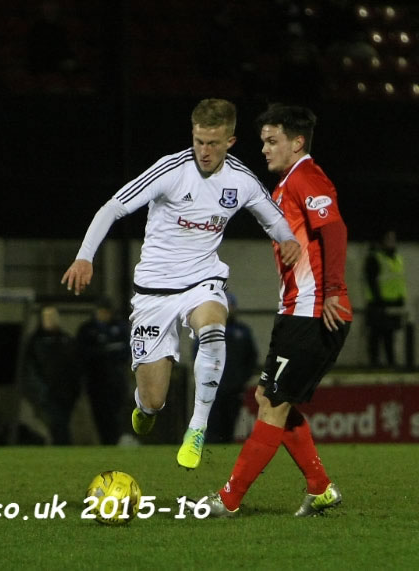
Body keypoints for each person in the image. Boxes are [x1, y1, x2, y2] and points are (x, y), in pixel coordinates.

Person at [62, 98, 300, 469]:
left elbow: (274, 218)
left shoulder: (241, 180)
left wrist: (287, 239)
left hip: (203, 280)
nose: (204, 151)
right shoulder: (171, 170)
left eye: (213, 143)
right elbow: (113, 207)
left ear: (230, 142)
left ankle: (197, 428)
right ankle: (145, 407)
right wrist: (84, 256)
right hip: (154, 292)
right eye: (198, 141)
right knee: (154, 399)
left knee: (214, 328)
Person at [190, 103, 352, 518]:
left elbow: (334, 228)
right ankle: (320, 488)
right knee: (270, 397)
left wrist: (333, 290)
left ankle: (228, 499)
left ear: (297, 143)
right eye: (263, 141)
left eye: (272, 141)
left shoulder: (307, 177)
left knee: (273, 404)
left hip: (313, 312)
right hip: (296, 310)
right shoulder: (287, 183)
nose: (264, 148)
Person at [195, 292, 258, 444]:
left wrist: (242, 379)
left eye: (230, 305)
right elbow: (197, 355)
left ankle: (225, 450)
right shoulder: (209, 329)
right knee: (212, 426)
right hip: (212, 388)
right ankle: (210, 450)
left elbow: (252, 357)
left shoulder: (242, 331)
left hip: (235, 388)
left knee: (230, 425)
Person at [76, 297, 131, 445]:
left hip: (116, 379)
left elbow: (127, 351)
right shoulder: (87, 329)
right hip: (96, 379)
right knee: (100, 413)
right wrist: (104, 352)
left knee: (117, 412)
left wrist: (105, 352)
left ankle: (116, 440)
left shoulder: (120, 327)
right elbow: (83, 353)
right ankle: (106, 441)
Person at [23, 305, 81, 445]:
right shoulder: (35, 342)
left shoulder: (66, 340)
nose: (51, 320)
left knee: (62, 424)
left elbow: (75, 366)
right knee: (56, 424)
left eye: (53, 316)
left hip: (66, 393)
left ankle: (62, 448)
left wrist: (75, 389)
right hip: (46, 393)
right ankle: (62, 447)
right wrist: (40, 390)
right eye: (47, 317)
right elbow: (30, 369)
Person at [364, 229, 408, 368]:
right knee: (376, 335)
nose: (392, 242)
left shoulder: (396, 258)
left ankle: (391, 364)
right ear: (381, 241)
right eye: (389, 239)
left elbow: (398, 280)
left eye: (393, 239)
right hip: (378, 304)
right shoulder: (375, 258)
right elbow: (371, 281)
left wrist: (401, 298)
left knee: (390, 335)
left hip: (393, 303)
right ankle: (374, 364)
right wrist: (378, 300)